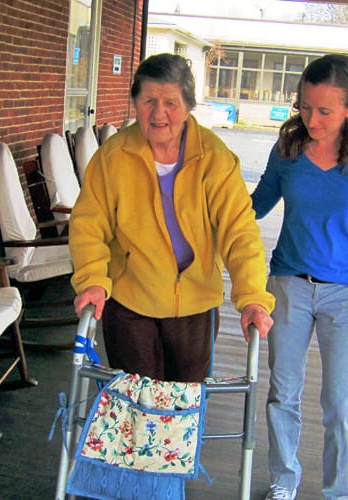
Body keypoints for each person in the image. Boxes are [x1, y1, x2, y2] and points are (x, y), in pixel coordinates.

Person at [68, 53, 274, 383]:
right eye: (149, 100)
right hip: (130, 300)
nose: (159, 113)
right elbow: (88, 225)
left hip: (195, 305)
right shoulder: (113, 157)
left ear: (189, 105)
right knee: (134, 407)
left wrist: (251, 297)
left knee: (185, 411)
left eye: (171, 103)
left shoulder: (215, 158)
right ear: (135, 101)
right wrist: (93, 279)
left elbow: (240, 232)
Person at [251, 54, 348, 500]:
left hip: (347, 296)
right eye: (305, 107)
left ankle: (338, 492)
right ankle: (283, 482)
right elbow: (255, 206)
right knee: (282, 395)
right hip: (289, 286)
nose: (312, 119)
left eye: (325, 110)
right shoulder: (287, 151)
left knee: (342, 405)